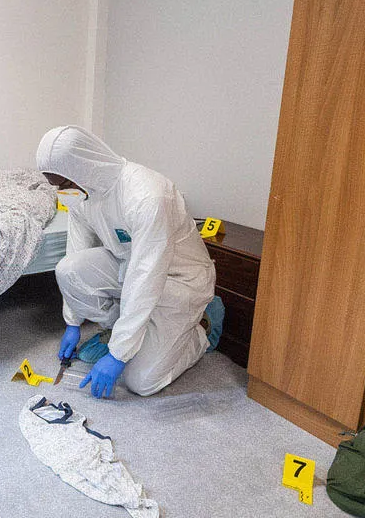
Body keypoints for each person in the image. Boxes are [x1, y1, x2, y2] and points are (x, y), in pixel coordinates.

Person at [36, 125, 224, 398]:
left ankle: (204, 326)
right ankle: (125, 333)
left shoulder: (147, 196)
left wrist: (119, 355)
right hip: (129, 268)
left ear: (83, 168)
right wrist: (73, 322)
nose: (62, 192)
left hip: (179, 283)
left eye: (63, 184)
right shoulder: (82, 193)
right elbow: (76, 253)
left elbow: (147, 276)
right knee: (68, 270)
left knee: (141, 382)